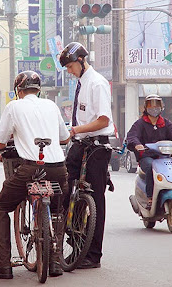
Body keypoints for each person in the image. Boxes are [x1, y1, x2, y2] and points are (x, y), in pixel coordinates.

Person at [0, 71, 70, 279]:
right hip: (58, 169)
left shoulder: (14, 106)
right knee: (57, 211)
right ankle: (55, 262)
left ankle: (3, 266)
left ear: (19, 90)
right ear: (39, 89)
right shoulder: (51, 106)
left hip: (30, 169)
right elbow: (64, 138)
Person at [59, 42, 115, 269]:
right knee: (63, 187)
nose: (70, 72)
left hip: (97, 148)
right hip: (80, 145)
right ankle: (73, 244)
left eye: (71, 66)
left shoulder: (97, 83)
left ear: (81, 61)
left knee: (95, 200)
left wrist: (76, 130)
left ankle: (93, 255)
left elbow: (104, 120)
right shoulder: (82, 83)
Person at [126, 94, 172, 209]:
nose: (154, 108)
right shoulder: (140, 123)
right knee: (151, 167)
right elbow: (132, 136)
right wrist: (137, 144)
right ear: (145, 108)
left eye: (157, 105)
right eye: (151, 105)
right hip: (147, 156)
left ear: (161, 107)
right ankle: (150, 197)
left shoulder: (166, 123)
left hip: (164, 157)